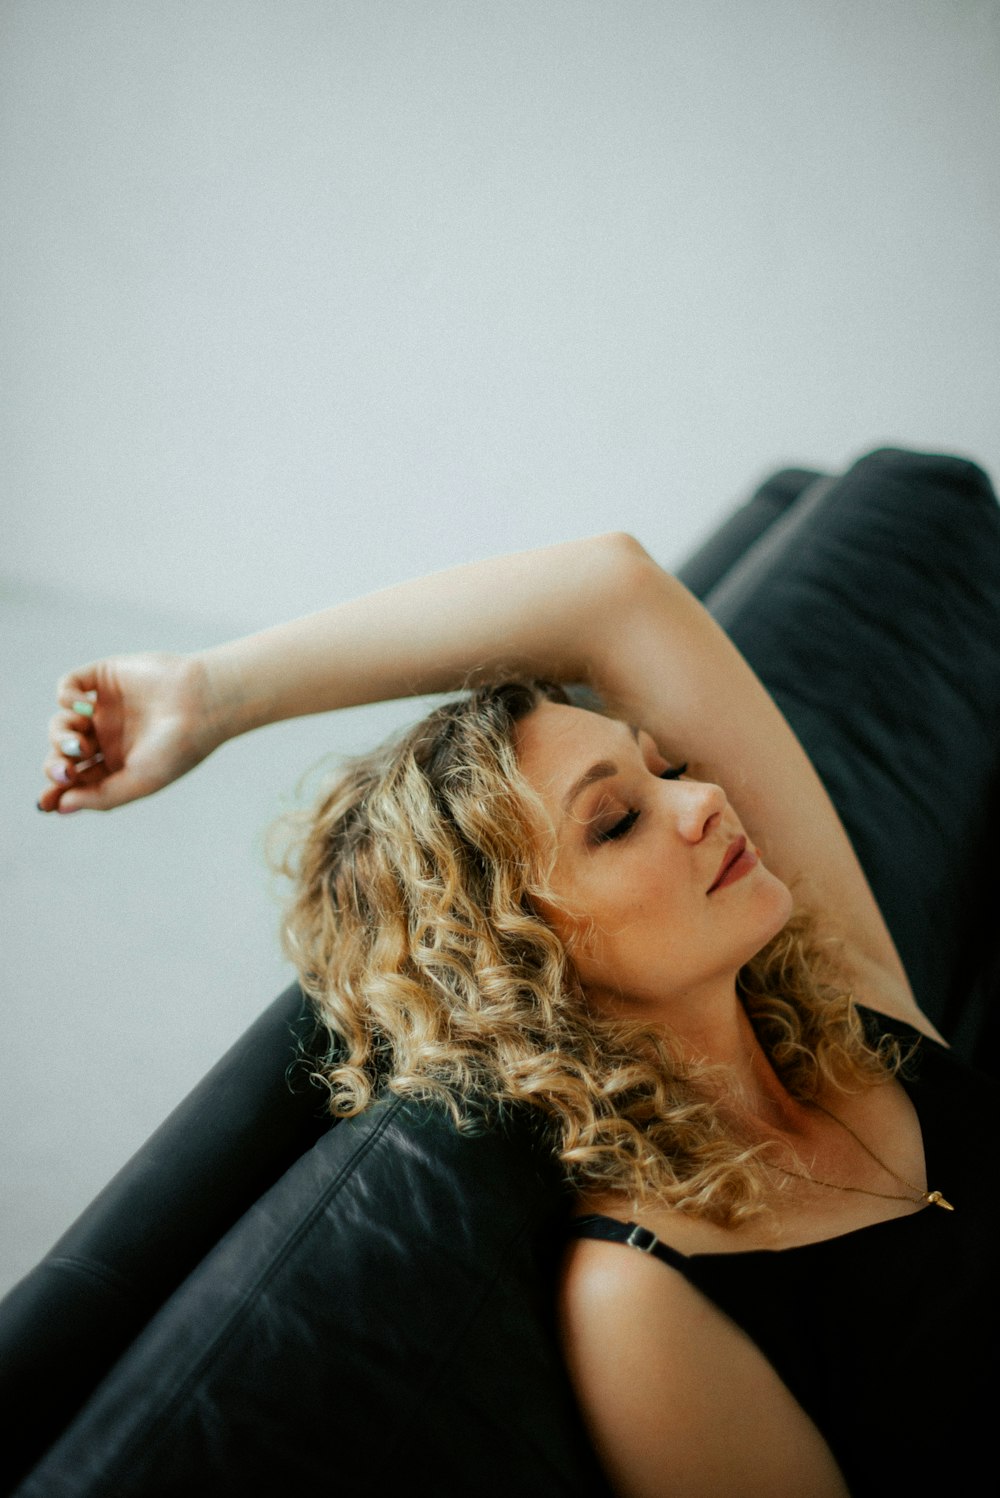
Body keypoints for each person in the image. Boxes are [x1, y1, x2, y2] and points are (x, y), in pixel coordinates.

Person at [38, 532, 995, 1497]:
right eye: (617, 821)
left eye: (664, 770)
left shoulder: (846, 1007)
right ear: (523, 962)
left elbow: (612, 591)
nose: (705, 799)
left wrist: (212, 691)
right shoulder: (648, 1296)